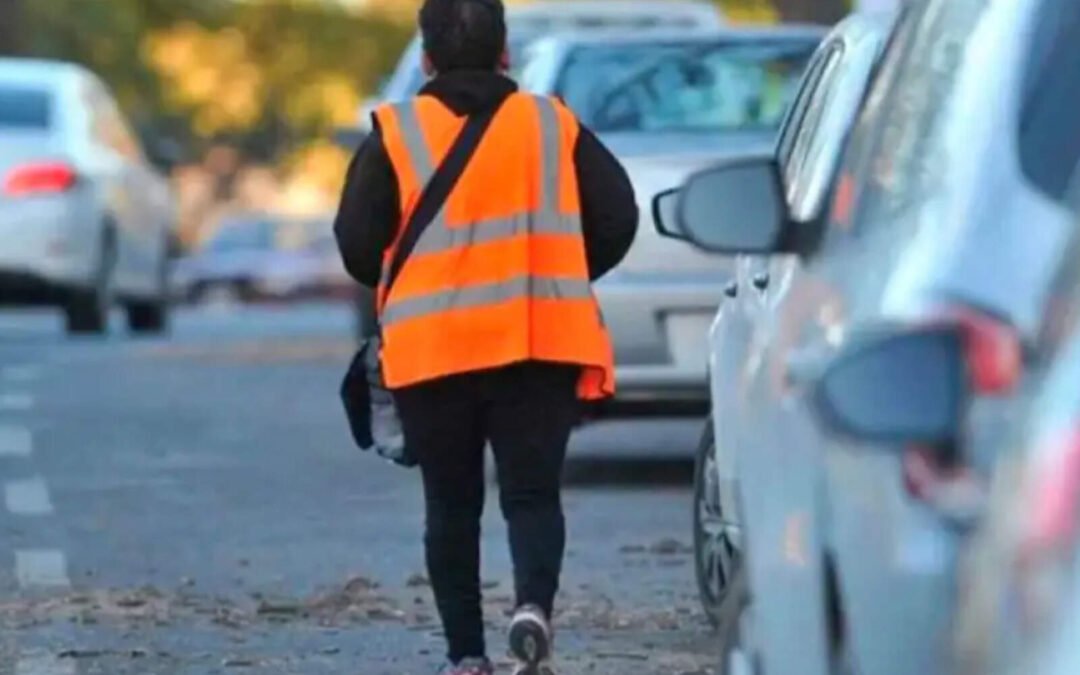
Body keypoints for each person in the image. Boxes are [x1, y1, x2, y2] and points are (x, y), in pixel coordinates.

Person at [333, 0, 637, 672]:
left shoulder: (396, 133)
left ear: (425, 58)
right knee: (532, 494)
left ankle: (467, 656)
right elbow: (618, 216)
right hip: (538, 340)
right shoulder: (550, 125)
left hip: (432, 350)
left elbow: (356, 247)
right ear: (506, 53)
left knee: (451, 503)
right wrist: (554, 268)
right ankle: (532, 609)